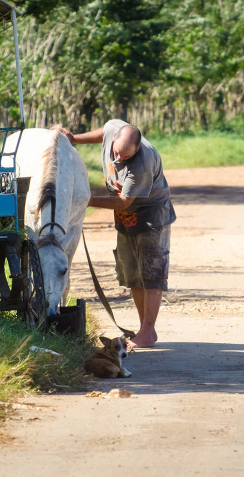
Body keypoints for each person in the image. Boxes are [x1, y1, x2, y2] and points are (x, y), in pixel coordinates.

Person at [56, 120, 176, 348]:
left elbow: (123, 202)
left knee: (151, 274)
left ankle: (148, 333)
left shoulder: (141, 164)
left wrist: (87, 200)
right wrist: (75, 138)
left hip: (151, 215)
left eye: (125, 157)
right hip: (127, 217)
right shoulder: (115, 130)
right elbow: (104, 130)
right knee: (132, 273)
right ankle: (144, 329)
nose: (118, 159)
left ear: (138, 149)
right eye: (116, 153)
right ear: (114, 140)